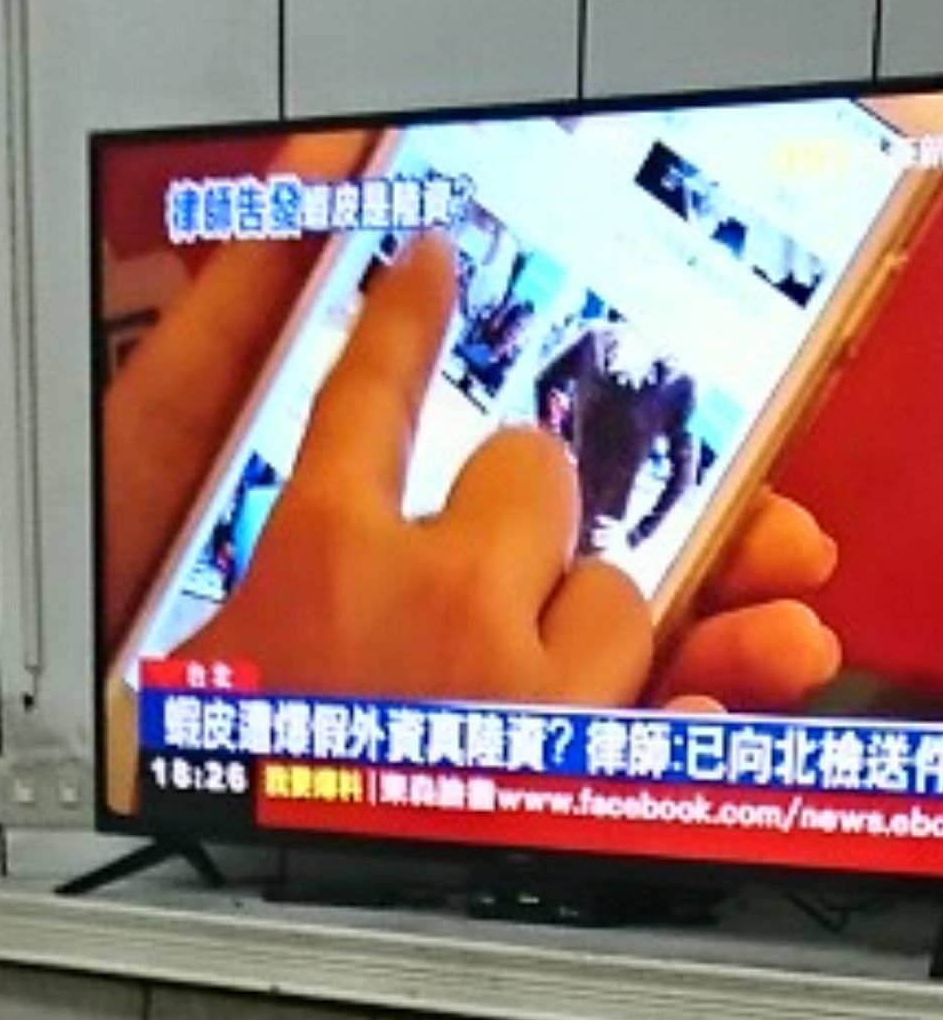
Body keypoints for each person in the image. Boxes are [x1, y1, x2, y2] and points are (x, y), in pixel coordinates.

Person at [103, 130, 841, 723]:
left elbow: (682, 465)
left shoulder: (678, 383)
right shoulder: (598, 339)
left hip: (597, 541)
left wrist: (643, 531)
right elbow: (552, 376)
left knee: (595, 652)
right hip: (527, 507)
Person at [534, 317, 697, 557]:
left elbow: (683, 474)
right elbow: (545, 380)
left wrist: (638, 533)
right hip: (552, 488)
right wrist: (550, 439)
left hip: (595, 526)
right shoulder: (596, 340)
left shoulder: (677, 386)